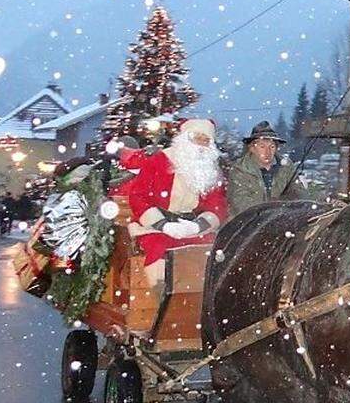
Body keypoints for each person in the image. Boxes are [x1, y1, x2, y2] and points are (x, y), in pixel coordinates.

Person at [113, 119, 227, 286]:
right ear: (185, 139)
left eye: (206, 140)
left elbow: (217, 204)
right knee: (159, 249)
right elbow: (139, 196)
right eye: (197, 138)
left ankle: (205, 297)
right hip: (155, 226)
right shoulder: (159, 161)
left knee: (212, 251)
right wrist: (163, 225)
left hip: (192, 225)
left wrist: (197, 226)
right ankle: (161, 301)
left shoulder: (210, 171)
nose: (201, 145)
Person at [224, 120, 308, 218]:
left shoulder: (286, 167)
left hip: (282, 220)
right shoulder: (239, 169)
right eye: (262, 146)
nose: (267, 152)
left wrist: (285, 205)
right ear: (252, 148)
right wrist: (271, 208)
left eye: (271, 147)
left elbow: (300, 194)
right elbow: (240, 203)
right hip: (246, 224)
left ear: (276, 148)